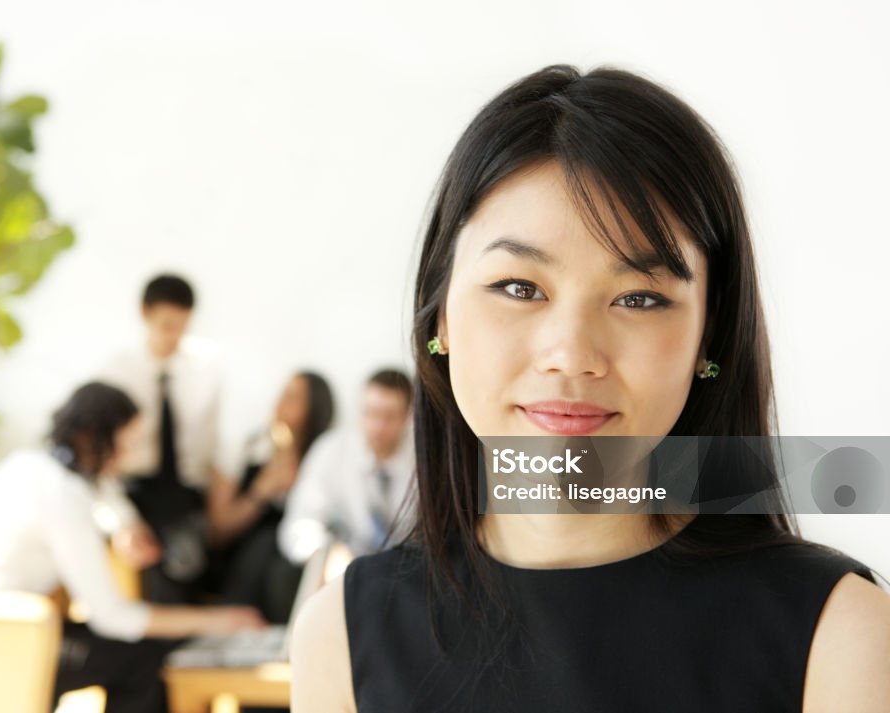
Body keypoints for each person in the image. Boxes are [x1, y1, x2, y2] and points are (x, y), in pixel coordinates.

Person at [291, 64, 890, 712]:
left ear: (707, 339)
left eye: (639, 297)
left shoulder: (841, 632)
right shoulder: (342, 634)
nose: (572, 353)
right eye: (519, 288)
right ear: (440, 317)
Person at [0, 382, 265, 713]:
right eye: (126, 445)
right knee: (140, 661)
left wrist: (124, 527)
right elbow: (112, 618)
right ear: (93, 439)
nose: (130, 458)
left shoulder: (32, 468)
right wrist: (213, 620)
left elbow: (105, 493)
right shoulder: (62, 495)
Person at [95, 274, 226, 604]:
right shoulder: (117, 373)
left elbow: (212, 444)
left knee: (191, 568)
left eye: (182, 325)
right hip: (136, 489)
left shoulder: (206, 368)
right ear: (145, 314)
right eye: (166, 324)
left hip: (184, 493)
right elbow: (99, 457)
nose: (174, 335)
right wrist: (121, 519)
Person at [206, 370, 336, 622]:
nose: (279, 403)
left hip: (296, 570)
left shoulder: (327, 458)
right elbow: (218, 530)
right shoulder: (244, 450)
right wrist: (262, 490)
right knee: (265, 544)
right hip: (242, 566)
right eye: (282, 394)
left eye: (293, 397)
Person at [278, 369, 414, 566]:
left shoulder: (427, 459)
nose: (378, 426)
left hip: (407, 570)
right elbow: (299, 524)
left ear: (408, 416)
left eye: (390, 416)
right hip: (343, 568)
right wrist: (326, 553)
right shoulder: (331, 451)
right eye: (372, 413)